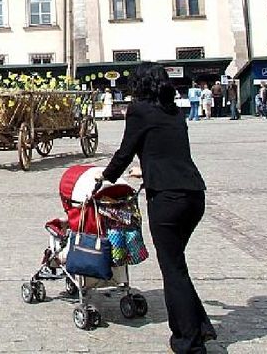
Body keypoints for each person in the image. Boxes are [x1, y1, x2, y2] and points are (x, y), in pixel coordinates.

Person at [95, 63, 215, 353]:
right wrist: (145, 171)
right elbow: (166, 151)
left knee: (173, 269)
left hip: (168, 199)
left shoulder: (139, 110)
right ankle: (198, 326)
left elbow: (126, 151)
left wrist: (105, 177)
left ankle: (189, 341)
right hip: (193, 195)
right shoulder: (174, 111)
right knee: (177, 265)